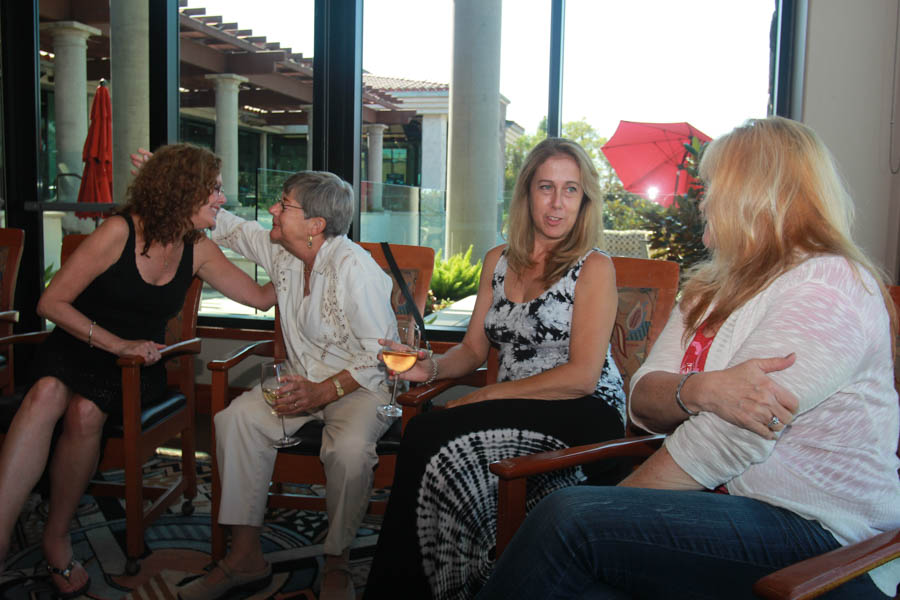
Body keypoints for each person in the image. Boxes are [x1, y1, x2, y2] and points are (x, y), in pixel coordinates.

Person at [474, 117, 900, 600]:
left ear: (754, 193)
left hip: (822, 535)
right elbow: (643, 399)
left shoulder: (828, 286)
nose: (703, 199)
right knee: (578, 571)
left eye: (714, 186)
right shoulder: (711, 289)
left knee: (568, 522)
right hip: (729, 505)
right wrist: (697, 390)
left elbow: (728, 440)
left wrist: (609, 509)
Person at [0, 143, 276, 598]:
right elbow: (50, 303)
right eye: (215, 191)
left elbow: (261, 298)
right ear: (183, 192)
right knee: (45, 392)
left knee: (87, 412)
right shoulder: (118, 231)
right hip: (80, 343)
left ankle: (57, 534)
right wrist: (114, 342)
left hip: (136, 362)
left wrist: (301, 257)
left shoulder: (200, 248)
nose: (222, 200)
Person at [364, 137, 628, 600]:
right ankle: (447, 581)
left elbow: (583, 375)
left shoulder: (594, 267)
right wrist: (432, 366)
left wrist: (486, 394)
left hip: (585, 410)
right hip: (516, 406)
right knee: (427, 434)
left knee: (430, 434)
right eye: (547, 187)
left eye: (571, 190)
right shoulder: (498, 261)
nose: (557, 203)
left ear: (585, 200)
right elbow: (471, 349)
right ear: (527, 192)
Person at [174, 170, 397, 600]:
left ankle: (337, 561)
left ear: (316, 225)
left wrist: (323, 392)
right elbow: (233, 229)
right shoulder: (282, 250)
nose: (273, 210)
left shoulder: (357, 269)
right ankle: (244, 558)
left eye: (284, 204)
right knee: (235, 420)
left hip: (359, 388)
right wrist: (180, 187)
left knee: (348, 451)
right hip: (299, 383)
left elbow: (381, 356)